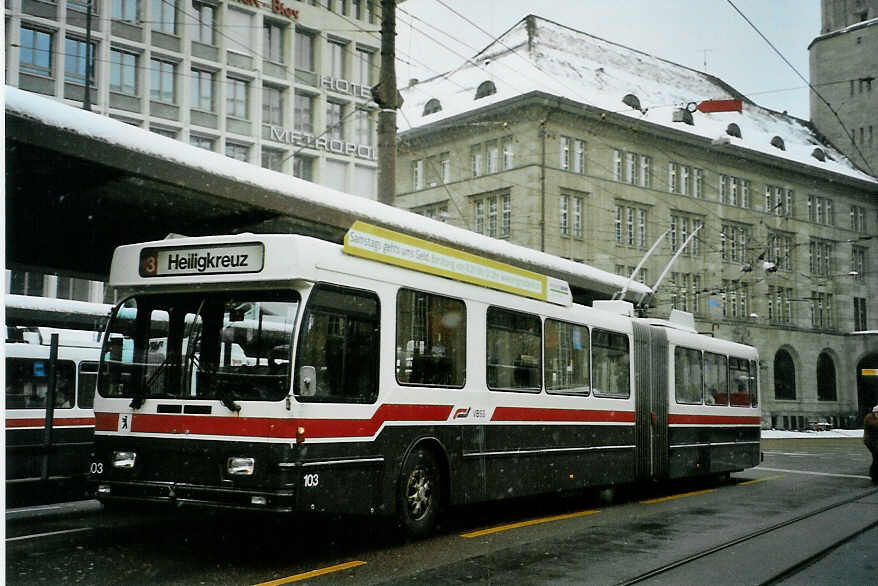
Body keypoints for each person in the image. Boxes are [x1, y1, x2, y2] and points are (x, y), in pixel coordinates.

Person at [865, 405, 878, 484]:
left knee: (876, 460)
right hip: (872, 443)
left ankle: (874, 476)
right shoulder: (870, 419)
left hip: (875, 442)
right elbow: (875, 426)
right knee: (876, 460)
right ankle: (874, 477)